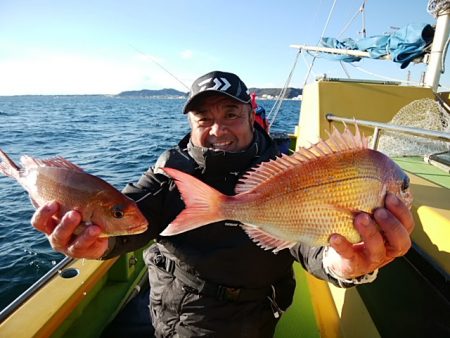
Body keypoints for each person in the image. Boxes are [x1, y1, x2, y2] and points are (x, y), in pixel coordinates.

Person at [32, 70, 415, 338]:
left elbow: (307, 241)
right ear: (191, 125)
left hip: (251, 314)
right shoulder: (171, 170)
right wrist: (100, 243)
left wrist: (346, 265)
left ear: (251, 114)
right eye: (204, 118)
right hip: (173, 303)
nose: (218, 129)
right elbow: (135, 217)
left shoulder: (283, 166)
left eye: (231, 114)